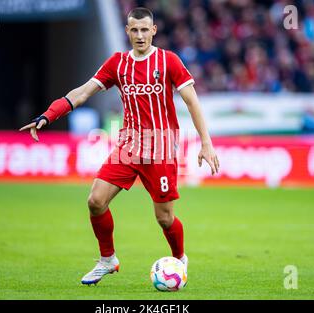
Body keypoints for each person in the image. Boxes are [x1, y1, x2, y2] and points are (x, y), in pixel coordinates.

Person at [20, 7, 219, 285]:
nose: (139, 35)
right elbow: (82, 93)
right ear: (127, 31)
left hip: (160, 149)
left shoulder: (168, 61)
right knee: (95, 201)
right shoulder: (117, 64)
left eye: (144, 30)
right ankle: (107, 260)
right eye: (134, 30)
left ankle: (179, 259)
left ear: (153, 31)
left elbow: (192, 101)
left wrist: (205, 143)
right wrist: (47, 115)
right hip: (128, 146)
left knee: (164, 218)